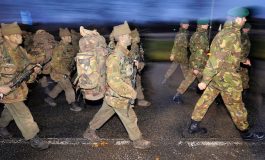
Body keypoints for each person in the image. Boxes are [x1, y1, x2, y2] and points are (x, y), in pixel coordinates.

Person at [188, 7, 265, 141]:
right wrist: (204, 81)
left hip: (217, 78)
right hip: (226, 78)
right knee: (237, 105)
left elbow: (232, 52)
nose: (245, 20)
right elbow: (215, 60)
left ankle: (193, 125)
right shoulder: (230, 35)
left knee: (205, 100)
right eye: (243, 18)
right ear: (237, 19)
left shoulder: (229, 32)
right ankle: (246, 133)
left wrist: (243, 60)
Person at [82, 21, 151, 149]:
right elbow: (114, 81)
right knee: (130, 117)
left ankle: (89, 131)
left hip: (113, 95)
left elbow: (126, 67)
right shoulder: (116, 56)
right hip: (118, 94)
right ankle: (137, 140)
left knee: (105, 112)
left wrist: (136, 64)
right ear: (123, 37)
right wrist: (130, 92)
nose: (131, 37)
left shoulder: (124, 52)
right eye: (129, 35)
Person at [0, 22, 49, 150]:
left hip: (19, 89)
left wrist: (35, 68)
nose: (19, 36)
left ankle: (1, 126)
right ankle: (33, 137)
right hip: (6, 90)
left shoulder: (20, 50)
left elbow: (29, 63)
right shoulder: (1, 51)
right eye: (14, 34)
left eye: (19, 33)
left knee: (10, 111)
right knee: (23, 114)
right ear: (6, 37)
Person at [44, 28, 82, 112]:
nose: (69, 38)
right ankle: (72, 104)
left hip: (66, 71)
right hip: (58, 72)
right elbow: (55, 64)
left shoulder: (69, 46)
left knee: (61, 86)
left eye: (69, 36)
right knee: (69, 87)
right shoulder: (59, 48)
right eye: (66, 36)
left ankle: (49, 97)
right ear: (62, 38)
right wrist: (65, 72)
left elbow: (72, 56)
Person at [173, 19, 210, 104]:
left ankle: (178, 95)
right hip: (198, 64)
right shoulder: (199, 36)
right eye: (206, 24)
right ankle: (178, 95)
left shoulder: (201, 34)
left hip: (199, 62)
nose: (208, 25)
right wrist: (196, 67)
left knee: (191, 79)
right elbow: (198, 52)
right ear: (202, 25)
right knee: (203, 79)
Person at [161, 20, 190, 84]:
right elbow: (176, 45)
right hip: (180, 55)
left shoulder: (186, 32)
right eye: (187, 24)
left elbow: (184, 44)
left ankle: (165, 79)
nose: (188, 25)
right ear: (183, 25)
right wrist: (172, 54)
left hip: (182, 54)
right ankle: (187, 84)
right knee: (184, 70)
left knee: (174, 68)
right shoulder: (181, 34)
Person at [130, 29, 151, 107]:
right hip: (133, 70)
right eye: (137, 36)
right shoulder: (133, 46)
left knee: (138, 84)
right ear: (133, 37)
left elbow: (139, 57)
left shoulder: (137, 45)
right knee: (133, 85)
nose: (139, 37)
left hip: (136, 69)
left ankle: (139, 100)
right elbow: (132, 59)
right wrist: (140, 65)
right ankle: (134, 102)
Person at [239, 23, 251, 98]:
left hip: (244, 59)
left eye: (249, 28)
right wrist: (243, 59)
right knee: (241, 76)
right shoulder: (241, 36)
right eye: (247, 28)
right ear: (244, 28)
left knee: (244, 75)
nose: (248, 29)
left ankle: (243, 89)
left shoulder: (245, 36)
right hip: (240, 60)